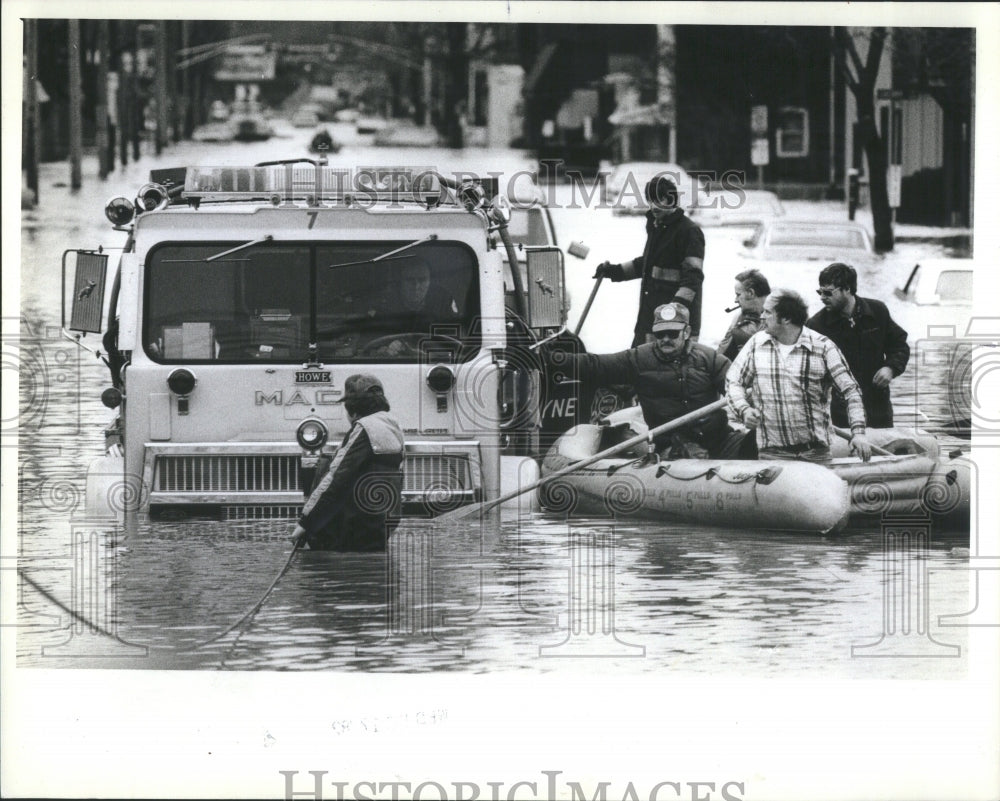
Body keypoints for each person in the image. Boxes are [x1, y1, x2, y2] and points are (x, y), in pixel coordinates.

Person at [549, 302, 731, 458]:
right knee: (692, 455)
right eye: (660, 334)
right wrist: (548, 358)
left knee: (749, 446)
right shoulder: (639, 358)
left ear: (687, 332)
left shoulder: (710, 358)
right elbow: (594, 365)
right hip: (673, 443)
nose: (666, 339)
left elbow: (736, 386)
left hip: (719, 437)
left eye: (673, 334)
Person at [726, 289, 873, 463]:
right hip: (772, 454)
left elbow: (851, 392)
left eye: (768, 312)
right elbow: (733, 381)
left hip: (815, 454)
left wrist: (858, 433)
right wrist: (744, 410)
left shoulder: (823, 347)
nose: (762, 316)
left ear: (786, 319)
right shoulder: (756, 344)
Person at [290, 375, 404, 551]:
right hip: (381, 525)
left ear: (353, 410)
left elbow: (336, 479)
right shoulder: (393, 427)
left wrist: (305, 523)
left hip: (353, 529)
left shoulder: (364, 429)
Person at [594, 175, 706, 346]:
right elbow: (647, 264)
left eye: (659, 200)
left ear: (671, 200)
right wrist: (614, 271)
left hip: (674, 326)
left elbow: (693, 279)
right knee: (640, 366)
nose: (653, 206)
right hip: (649, 319)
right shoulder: (657, 227)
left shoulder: (689, 231)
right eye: (650, 200)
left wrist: (673, 312)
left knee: (660, 370)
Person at [805, 262, 910, 428]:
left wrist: (890, 368)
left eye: (828, 292)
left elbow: (899, 345)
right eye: (820, 292)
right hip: (840, 412)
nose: (822, 298)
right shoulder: (816, 326)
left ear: (847, 289)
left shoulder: (877, 311)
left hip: (878, 407)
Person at [717, 268, 770, 361]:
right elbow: (721, 351)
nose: (735, 300)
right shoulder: (739, 316)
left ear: (751, 293)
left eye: (738, 294)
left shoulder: (774, 317)